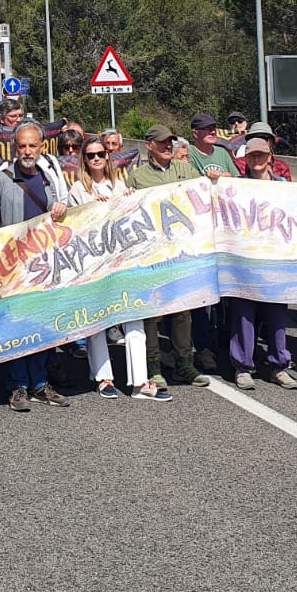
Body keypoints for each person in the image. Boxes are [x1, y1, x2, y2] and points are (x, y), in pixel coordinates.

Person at [71, 137, 169, 401]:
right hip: (95, 264)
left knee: (133, 317)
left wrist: (128, 199)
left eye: (100, 154)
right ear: (84, 160)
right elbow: (74, 226)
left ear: (107, 156)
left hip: (124, 262)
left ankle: (140, 381)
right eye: (90, 155)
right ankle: (104, 377)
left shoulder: (119, 184)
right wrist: (92, 206)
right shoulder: (79, 189)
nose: (95, 159)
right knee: (98, 322)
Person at [0, 121, 73, 410]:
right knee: (15, 325)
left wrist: (61, 209)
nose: (27, 150)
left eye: (32, 145)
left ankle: (38, 382)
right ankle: (16, 386)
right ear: (14, 147)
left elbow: (63, 213)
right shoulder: (0, 180)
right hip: (12, 267)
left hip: (43, 265)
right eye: (21, 145)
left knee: (40, 323)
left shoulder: (49, 177)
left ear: (41, 147)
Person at [127, 123, 208, 388]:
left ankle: (185, 363)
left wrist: (214, 181)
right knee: (153, 310)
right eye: (162, 142)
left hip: (182, 252)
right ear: (149, 145)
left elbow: (204, 194)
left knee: (183, 310)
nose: (167, 146)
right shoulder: (138, 177)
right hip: (152, 255)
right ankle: (153, 366)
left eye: (170, 142)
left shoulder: (185, 170)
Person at [230, 131, 297, 391]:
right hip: (244, 263)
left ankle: (279, 366)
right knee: (244, 317)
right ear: (246, 159)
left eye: (260, 154)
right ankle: (243, 367)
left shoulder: (284, 186)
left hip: (276, 262)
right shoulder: (236, 186)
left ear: (270, 157)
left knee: (277, 316)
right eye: (251, 155)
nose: (256, 159)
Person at [187, 113, 237, 180]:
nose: (213, 132)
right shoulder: (187, 153)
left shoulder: (222, 152)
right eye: (208, 129)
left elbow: (237, 178)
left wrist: (226, 176)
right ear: (195, 133)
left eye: (214, 128)